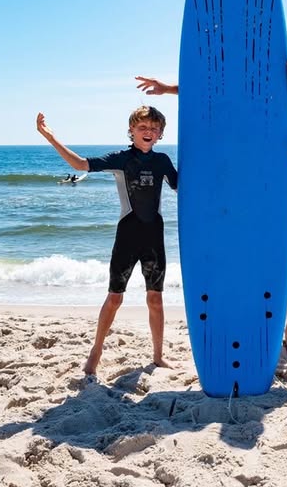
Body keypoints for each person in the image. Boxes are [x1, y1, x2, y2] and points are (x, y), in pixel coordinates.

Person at [135, 42, 287, 357]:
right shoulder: (267, 96)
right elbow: (220, 94)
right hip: (255, 193)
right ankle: (253, 322)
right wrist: (170, 89)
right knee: (252, 261)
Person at [36, 105, 178, 376]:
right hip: (127, 235)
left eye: (153, 128)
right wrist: (50, 137)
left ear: (160, 134)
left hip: (154, 236)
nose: (148, 132)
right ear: (132, 131)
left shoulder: (162, 162)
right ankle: (96, 350)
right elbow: (80, 165)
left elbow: (185, 186)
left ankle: (158, 356)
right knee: (114, 297)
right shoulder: (121, 159)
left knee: (156, 299)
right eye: (142, 127)